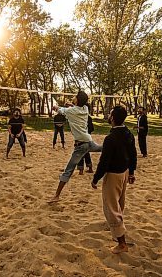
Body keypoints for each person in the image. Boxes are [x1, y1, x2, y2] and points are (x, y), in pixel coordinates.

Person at [91, 106, 137, 254]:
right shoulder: (128, 133)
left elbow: (104, 162)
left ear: (113, 118)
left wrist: (95, 178)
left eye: (110, 114)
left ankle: (122, 243)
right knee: (119, 205)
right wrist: (131, 172)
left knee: (111, 208)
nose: (108, 115)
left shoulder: (111, 138)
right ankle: (118, 235)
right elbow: (133, 154)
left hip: (113, 175)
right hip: (124, 173)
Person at [48, 91, 102, 203]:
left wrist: (55, 107)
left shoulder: (71, 111)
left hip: (81, 146)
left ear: (78, 100)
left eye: (75, 97)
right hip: (89, 142)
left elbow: (61, 111)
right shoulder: (85, 109)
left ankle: (56, 196)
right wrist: (71, 105)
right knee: (103, 148)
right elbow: (75, 108)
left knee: (68, 170)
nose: (74, 97)